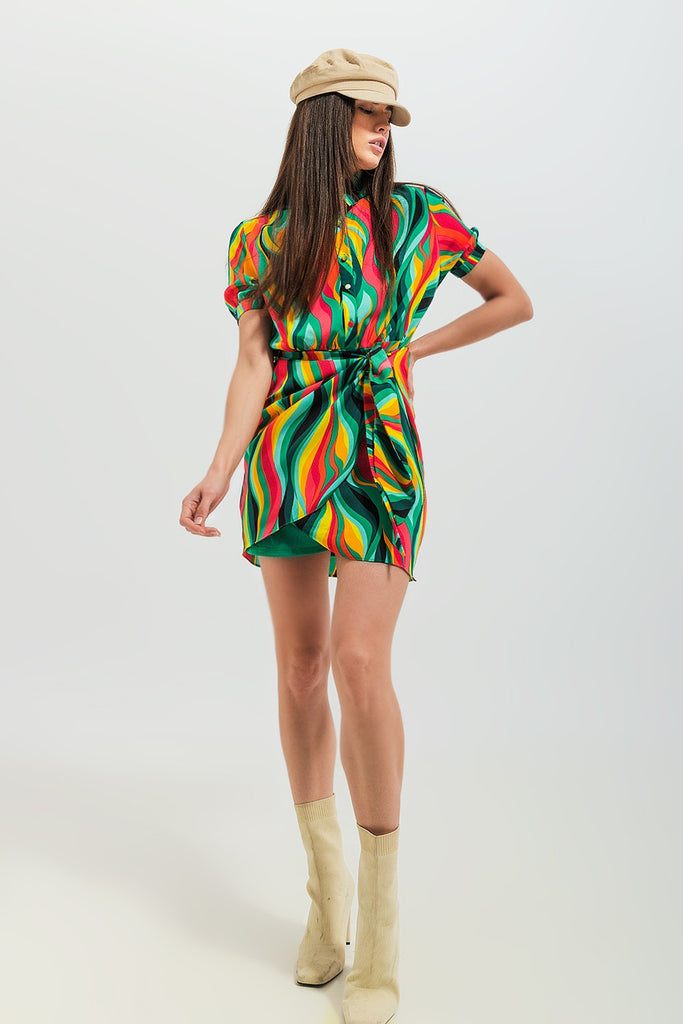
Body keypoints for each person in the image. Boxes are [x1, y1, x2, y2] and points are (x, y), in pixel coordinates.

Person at [180, 47, 533, 1024]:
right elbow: (253, 363)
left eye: (389, 118)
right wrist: (219, 467)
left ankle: (378, 937)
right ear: (322, 121)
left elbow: (512, 298)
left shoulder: (416, 216)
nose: (383, 130)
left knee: (357, 661)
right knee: (299, 668)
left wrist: (411, 348)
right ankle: (325, 899)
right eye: (368, 114)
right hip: (287, 455)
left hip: (379, 452)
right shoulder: (261, 239)